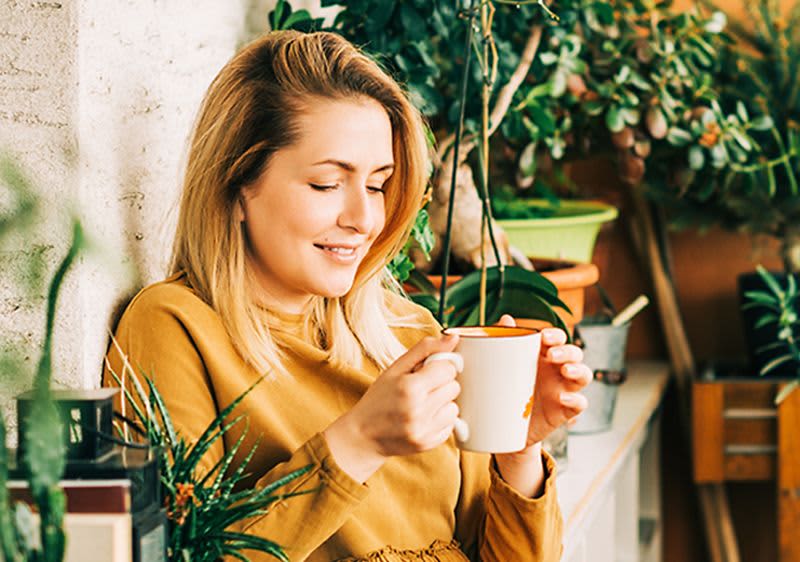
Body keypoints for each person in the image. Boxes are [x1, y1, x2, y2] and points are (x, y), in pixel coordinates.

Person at [104, 30, 591, 562]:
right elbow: (183, 555)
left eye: (378, 184)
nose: (363, 220)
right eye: (327, 184)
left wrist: (518, 450)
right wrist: (359, 442)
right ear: (238, 184)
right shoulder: (174, 328)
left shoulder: (411, 334)